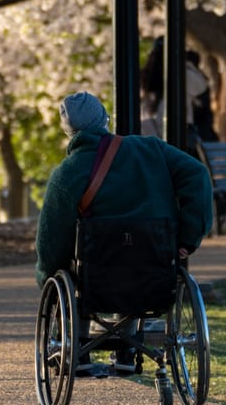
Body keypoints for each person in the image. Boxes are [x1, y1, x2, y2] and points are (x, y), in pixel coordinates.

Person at [35, 90, 214, 293]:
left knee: (77, 285)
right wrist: (188, 235)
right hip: (157, 256)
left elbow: (51, 240)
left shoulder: (66, 173)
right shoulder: (150, 148)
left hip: (98, 271)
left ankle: (84, 323)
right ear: (105, 120)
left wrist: (47, 277)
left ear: (68, 132)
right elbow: (197, 174)